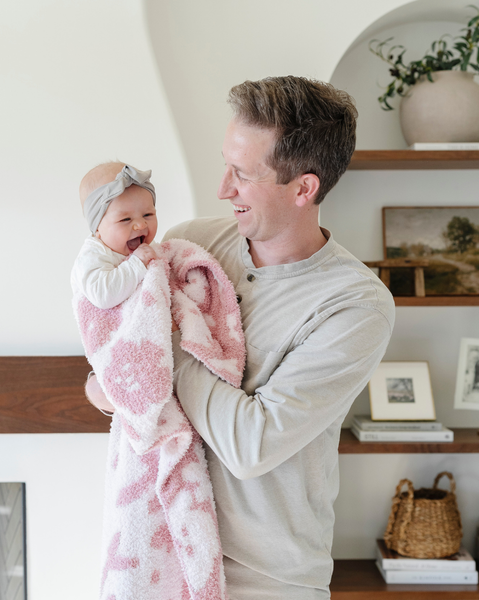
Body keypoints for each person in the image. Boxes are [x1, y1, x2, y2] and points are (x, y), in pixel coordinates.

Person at [87, 76, 395, 599]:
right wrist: (109, 388)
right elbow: (109, 363)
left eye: (243, 174)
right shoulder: (193, 244)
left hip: (265, 580)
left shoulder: (354, 305)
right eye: (226, 163)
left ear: (304, 188)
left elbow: (249, 443)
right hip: (162, 553)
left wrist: (160, 355)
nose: (222, 187)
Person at [71, 162, 159, 310]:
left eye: (147, 214)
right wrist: (136, 263)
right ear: (97, 228)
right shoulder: (92, 256)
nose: (141, 225)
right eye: (126, 219)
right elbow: (102, 296)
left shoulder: (147, 247)